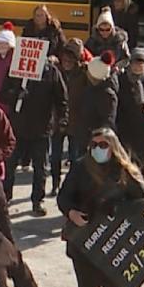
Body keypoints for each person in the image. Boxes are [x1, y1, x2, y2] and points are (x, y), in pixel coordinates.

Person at [57, 127, 144, 287]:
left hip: (115, 237)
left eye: (103, 145)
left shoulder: (126, 169)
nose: (98, 149)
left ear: (113, 146)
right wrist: (71, 213)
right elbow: (64, 196)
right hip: (85, 236)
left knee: (113, 279)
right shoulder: (80, 167)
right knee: (86, 285)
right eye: (94, 145)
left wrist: (118, 209)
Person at [0, 57, 68, 216]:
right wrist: (16, 94)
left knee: (40, 168)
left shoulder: (51, 73)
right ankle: (5, 197)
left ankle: (38, 201)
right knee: (10, 165)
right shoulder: (16, 70)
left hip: (41, 129)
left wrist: (63, 119)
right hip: (17, 128)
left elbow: (62, 99)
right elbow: (2, 94)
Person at [50, 39, 92, 195]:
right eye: (65, 57)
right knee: (55, 156)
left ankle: (72, 186)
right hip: (57, 119)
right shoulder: (55, 71)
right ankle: (55, 183)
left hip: (76, 121)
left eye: (71, 58)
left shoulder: (84, 74)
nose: (67, 61)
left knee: (75, 158)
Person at [116, 49, 144, 180]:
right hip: (124, 126)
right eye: (135, 63)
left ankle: (141, 189)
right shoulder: (121, 80)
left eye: (141, 63)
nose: (137, 66)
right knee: (124, 161)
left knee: (141, 163)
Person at [70, 54, 118, 158]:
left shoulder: (107, 94)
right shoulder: (88, 89)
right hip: (85, 137)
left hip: (98, 142)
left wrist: (98, 137)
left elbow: (108, 120)